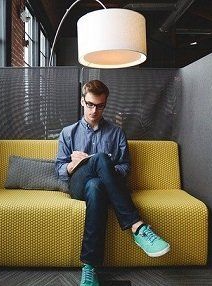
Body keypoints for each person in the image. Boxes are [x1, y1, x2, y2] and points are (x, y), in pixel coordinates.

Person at [55, 80, 170, 286]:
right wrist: (76, 164)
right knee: (99, 159)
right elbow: (60, 171)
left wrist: (105, 168)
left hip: (103, 189)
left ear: (105, 105)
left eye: (100, 106)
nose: (94, 110)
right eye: (90, 104)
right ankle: (136, 226)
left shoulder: (116, 133)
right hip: (77, 185)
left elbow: (125, 167)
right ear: (83, 101)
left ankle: (89, 268)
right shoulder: (68, 133)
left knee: (97, 185)